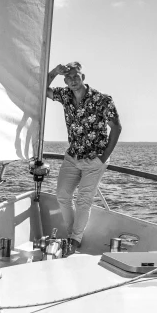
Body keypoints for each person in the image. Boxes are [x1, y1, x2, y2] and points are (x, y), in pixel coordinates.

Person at [47, 62, 122, 253]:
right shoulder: (64, 95)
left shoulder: (102, 99)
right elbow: (40, 89)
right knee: (62, 194)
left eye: (76, 76)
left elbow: (116, 127)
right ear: (65, 80)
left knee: (83, 200)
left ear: (83, 77)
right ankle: (73, 233)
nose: (72, 80)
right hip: (72, 156)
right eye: (68, 77)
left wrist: (103, 158)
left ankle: (74, 240)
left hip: (94, 159)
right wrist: (55, 71)